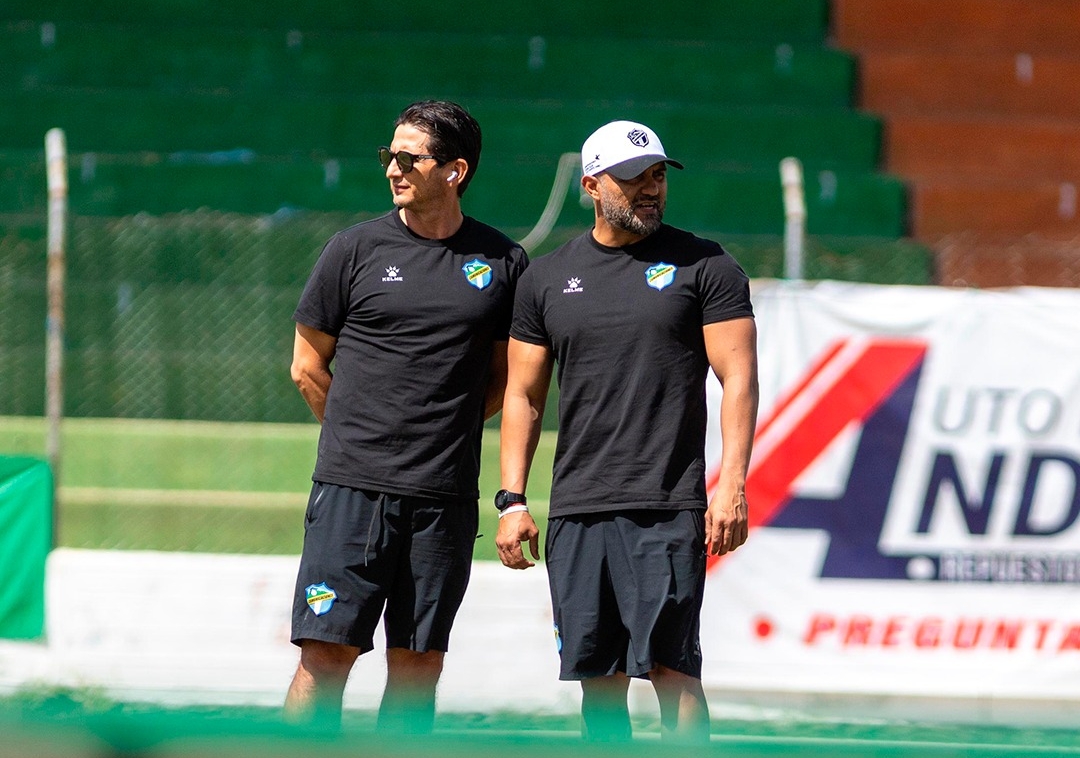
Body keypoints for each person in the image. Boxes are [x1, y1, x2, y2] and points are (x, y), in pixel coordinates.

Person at [495, 120, 758, 742]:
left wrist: (732, 485)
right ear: (591, 184)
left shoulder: (706, 266)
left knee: (675, 673)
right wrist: (511, 499)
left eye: (658, 175)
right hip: (579, 511)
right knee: (599, 680)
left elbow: (739, 380)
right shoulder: (545, 278)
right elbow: (522, 394)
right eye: (632, 177)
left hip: (666, 507)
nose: (649, 189)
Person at [284, 100, 528, 733]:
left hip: (443, 499)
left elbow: (505, 379)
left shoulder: (504, 262)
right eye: (387, 156)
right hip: (352, 492)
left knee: (419, 665)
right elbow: (307, 366)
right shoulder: (353, 249)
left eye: (407, 157)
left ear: (455, 170)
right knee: (326, 654)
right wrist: (359, 439)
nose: (392, 168)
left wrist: (438, 435)